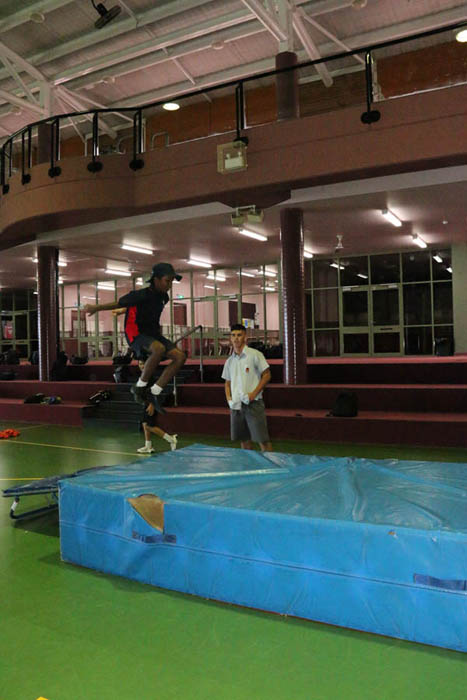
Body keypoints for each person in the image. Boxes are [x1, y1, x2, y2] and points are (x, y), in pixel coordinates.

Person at [84, 262, 186, 413]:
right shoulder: (139, 295)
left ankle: (155, 392)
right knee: (158, 349)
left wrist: (124, 311)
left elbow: (144, 307)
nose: (170, 285)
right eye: (167, 281)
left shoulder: (164, 297)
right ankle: (139, 387)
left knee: (180, 356)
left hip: (153, 333)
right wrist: (96, 308)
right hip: (136, 333)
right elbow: (119, 303)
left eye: (171, 281)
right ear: (156, 279)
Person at [221, 323, 272, 451]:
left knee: (263, 441)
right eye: (233, 335)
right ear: (230, 338)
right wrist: (229, 400)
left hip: (253, 404)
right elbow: (227, 383)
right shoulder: (229, 361)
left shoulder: (255, 355)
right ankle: (247, 464)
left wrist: (254, 394)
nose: (236, 338)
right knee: (244, 441)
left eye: (239, 335)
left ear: (245, 337)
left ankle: (271, 464)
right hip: (236, 406)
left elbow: (267, 375)